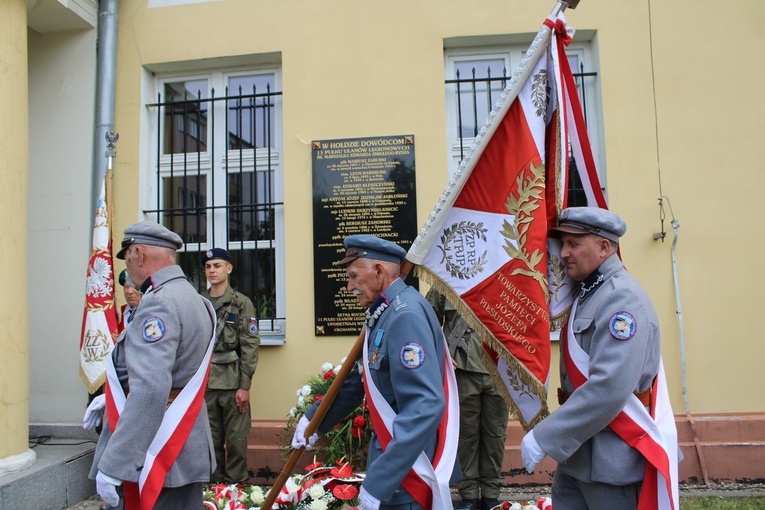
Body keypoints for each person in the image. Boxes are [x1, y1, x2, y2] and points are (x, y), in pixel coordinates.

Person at [520, 207, 678, 510]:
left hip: (612, 460)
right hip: (578, 454)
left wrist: (545, 437)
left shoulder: (621, 298)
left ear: (604, 247)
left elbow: (610, 387)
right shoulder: (587, 292)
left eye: (574, 244)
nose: (564, 252)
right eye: (563, 243)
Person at [291, 234, 460, 510]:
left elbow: (425, 405)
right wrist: (314, 420)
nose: (349, 286)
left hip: (409, 472)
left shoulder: (403, 315)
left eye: (354, 276)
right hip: (398, 465)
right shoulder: (385, 311)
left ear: (379, 271)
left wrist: (380, 481)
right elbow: (360, 380)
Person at [85, 220, 217, 509]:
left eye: (128, 258)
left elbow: (149, 388)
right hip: (186, 442)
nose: (128, 270)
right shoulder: (195, 299)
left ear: (140, 255)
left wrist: (115, 463)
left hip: (156, 449)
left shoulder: (159, 303)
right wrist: (113, 396)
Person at [426, 289, 508, 510]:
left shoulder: (504, 277)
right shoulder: (445, 279)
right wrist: (440, 353)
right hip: (461, 370)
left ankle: (492, 493)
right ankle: (469, 493)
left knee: (495, 435)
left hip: (501, 370)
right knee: (465, 435)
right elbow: (426, 322)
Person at [201, 247, 260, 483]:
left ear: (229, 268)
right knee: (209, 443)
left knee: (236, 442)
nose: (212, 271)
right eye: (208, 267)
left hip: (233, 382)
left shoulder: (241, 304)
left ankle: (236, 493)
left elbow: (249, 345)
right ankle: (212, 493)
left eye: (217, 265)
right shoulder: (199, 302)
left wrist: (244, 386)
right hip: (204, 383)